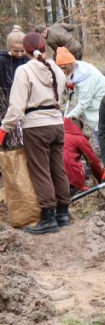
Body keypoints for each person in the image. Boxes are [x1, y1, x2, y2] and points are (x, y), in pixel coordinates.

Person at [0, 32, 70, 234]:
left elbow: (16, 108)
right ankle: (63, 213)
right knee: (58, 168)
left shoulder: (24, 70)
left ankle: (48, 217)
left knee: (40, 171)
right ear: (44, 48)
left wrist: (4, 129)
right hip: (57, 124)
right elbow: (61, 93)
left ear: (26, 49)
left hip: (36, 127)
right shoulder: (55, 68)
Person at [55, 47, 105, 133]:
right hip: (96, 99)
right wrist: (72, 84)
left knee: (101, 131)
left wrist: (67, 118)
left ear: (68, 65)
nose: (62, 71)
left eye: (63, 68)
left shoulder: (85, 78)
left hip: (101, 103)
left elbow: (83, 103)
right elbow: (75, 78)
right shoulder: (78, 67)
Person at [62, 117, 103, 194]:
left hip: (53, 178)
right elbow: (93, 161)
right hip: (70, 179)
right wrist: (101, 179)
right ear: (79, 128)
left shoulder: (57, 134)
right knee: (87, 166)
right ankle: (75, 186)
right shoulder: (79, 138)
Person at [0, 27, 29, 135]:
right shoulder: (2, 60)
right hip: (9, 103)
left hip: (26, 102)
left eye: (23, 50)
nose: (20, 54)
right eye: (16, 51)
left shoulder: (27, 59)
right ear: (9, 47)